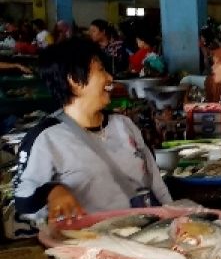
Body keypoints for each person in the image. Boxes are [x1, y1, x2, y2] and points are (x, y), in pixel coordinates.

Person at [14, 38, 171, 221]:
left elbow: (156, 183)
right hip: (90, 243)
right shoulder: (46, 138)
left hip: (145, 235)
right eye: (101, 70)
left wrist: (172, 218)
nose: (110, 78)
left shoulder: (124, 125)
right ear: (74, 80)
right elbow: (22, 199)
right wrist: (53, 191)